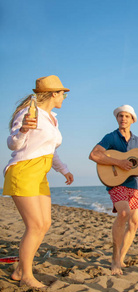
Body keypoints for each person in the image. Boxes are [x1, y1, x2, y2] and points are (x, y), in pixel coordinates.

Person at [3, 75, 74, 289]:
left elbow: (50, 150)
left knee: (44, 224)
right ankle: (26, 274)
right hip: (24, 171)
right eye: (63, 93)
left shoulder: (52, 118)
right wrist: (23, 129)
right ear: (54, 93)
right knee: (34, 226)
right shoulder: (28, 113)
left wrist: (64, 170)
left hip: (40, 173)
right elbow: (12, 143)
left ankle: (18, 270)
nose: (64, 97)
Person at [89, 105, 138, 275]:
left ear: (132, 120)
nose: (123, 119)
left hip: (133, 184)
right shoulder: (110, 137)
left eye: (126, 116)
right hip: (116, 183)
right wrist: (118, 163)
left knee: (134, 222)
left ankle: (121, 258)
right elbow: (94, 155)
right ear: (117, 118)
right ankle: (115, 258)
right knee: (123, 214)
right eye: (120, 116)